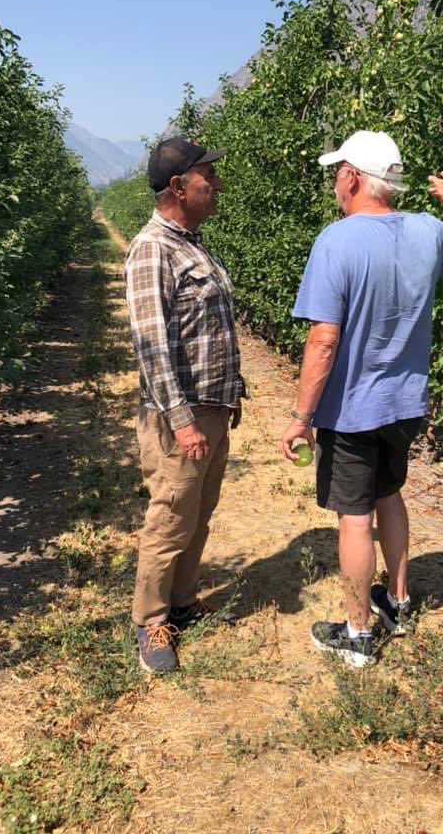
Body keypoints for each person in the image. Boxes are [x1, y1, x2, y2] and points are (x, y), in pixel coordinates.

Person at [280, 130, 443, 668]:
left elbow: (323, 340)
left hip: (352, 410)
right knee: (389, 495)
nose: (334, 184)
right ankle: (401, 601)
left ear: (351, 177)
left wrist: (300, 417)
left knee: (354, 517)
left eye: (336, 174)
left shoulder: (336, 241)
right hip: (406, 404)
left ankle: (358, 632)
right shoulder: (426, 231)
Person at [125, 137, 245, 674]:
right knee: (171, 516)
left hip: (212, 408)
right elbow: (152, 345)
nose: (216, 187)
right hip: (183, 416)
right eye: (207, 179)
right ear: (178, 187)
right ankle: (150, 621)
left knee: (198, 514)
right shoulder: (153, 248)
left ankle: (182, 601)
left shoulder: (193, 244)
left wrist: (230, 392)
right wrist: (183, 421)